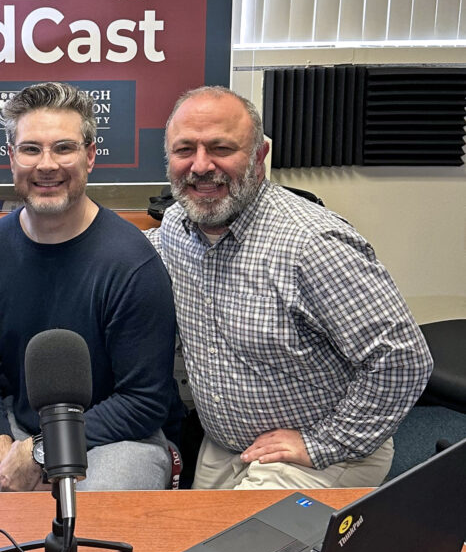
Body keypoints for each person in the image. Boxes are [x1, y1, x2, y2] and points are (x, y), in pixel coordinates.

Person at [147, 85, 433, 490]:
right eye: (184, 150)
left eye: (221, 148)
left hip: (319, 450)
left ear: (260, 157)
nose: (201, 166)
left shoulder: (313, 244)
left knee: (240, 551)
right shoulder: (176, 228)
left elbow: (403, 361)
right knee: (185, 542)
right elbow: (124, 257)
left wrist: (321, 444)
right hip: (227, 445)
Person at [0, 82, 181, 493]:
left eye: (63, 148)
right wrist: (3, 452)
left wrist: (42, 451)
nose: (46, 165)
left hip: (117, 438)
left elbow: (144, 400)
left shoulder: (131, 261)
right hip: (18, 430)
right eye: (31, 149)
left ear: (89, 156)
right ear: (12, 157)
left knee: (87, 542)